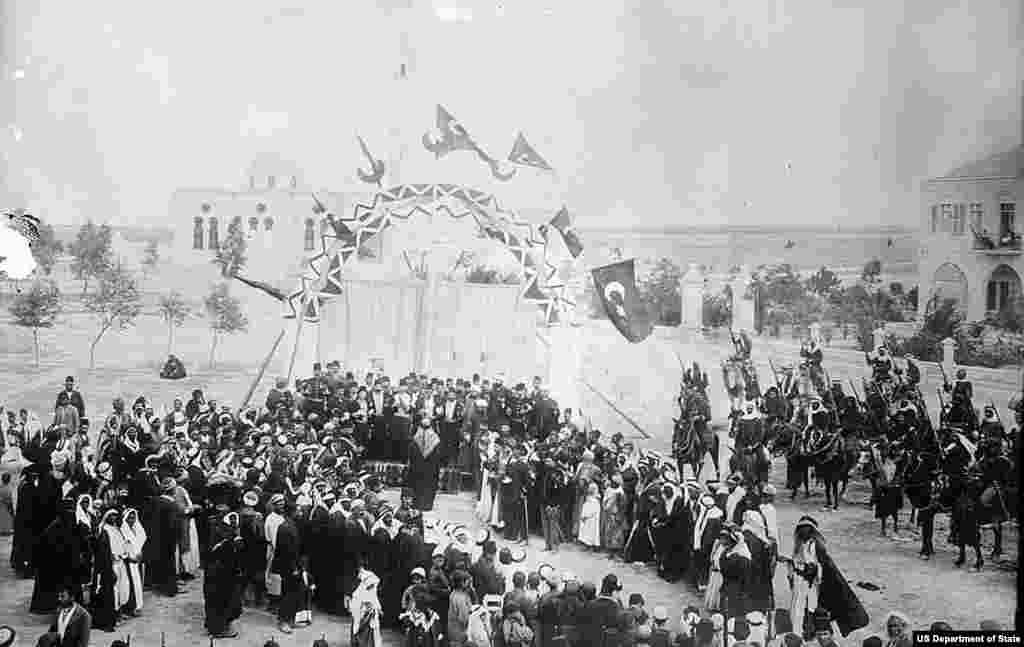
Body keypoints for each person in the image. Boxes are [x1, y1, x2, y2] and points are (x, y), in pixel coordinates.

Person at [786, 516, 868, 639]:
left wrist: (811, 572)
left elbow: (821, 566)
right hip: (800, 582)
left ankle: (810, 632)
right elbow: (793, 563)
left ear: (812, 531)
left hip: (812, 583)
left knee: (811, 607)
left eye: (807, 529)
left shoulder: (815, 546)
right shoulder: (798, 545)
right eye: (802, 529)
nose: (804, 531)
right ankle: (799, 632)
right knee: (798, 607)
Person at [40, 583, 91, 647]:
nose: (59, 599)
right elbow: (51, 633)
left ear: (72, 598)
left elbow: (83, 643)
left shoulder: (84, 616)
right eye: (59, 596)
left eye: (62, 596)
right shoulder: (58, 611)